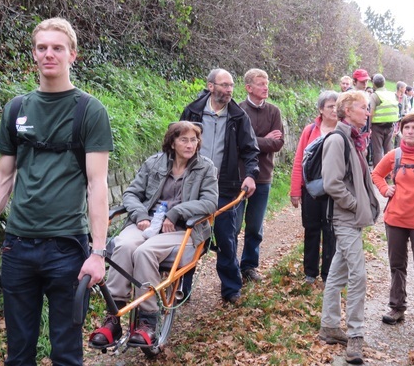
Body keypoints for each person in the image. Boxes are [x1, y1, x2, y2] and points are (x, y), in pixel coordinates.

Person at [0, 18, 114, 366]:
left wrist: (99, 251)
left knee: (65, 352)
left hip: (67, 248)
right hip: (18, 246)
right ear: (34, 54)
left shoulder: (89, 111)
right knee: (18, 354)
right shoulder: (17, 109)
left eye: (57, 48)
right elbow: (3, 178)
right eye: (42, 48)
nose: (49, 54)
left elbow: (97, 184)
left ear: (72, 55)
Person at [89, 121, 218, 347]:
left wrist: (177, 212)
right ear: (172, 142)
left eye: (194, 140)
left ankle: (148, 321)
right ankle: (113, 317)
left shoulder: (205, 167)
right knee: (123, 246)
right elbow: (130, 194)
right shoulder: (154, 163)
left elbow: (210, 202)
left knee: (144, 252)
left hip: (182, 230)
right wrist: (140, 215)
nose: (190, 145)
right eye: (184, 140)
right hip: (148, 224)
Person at [180, 68, 259, 304]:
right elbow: (176, 142)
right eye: (224, 85)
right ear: (210, 86)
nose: (228, 90)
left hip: (225, 185)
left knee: (226, 237)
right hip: (192, 183)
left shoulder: (238, 116)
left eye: (231, 86)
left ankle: (231, 289)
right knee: (189, 236)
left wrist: (251, 175)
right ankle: (183, 289)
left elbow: (250, 150)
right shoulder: (192, 111)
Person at [318, 91, 380, 365]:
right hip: (344, 218)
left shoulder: (353, 139)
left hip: (350, 217)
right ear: (346, 111)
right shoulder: (337, 139)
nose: (367, 113)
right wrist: (355, 205)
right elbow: (331, 183)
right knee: (358, 275)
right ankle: (355, 334)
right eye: (362, 108)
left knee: (338, 270)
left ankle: (329, 326)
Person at [371, 114, 414, 335]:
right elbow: (376, 174)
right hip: (396, 219)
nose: (410, 131)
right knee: (397, 266)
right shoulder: (394, 155)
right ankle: (397, 307)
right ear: (401, 131)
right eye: (406, 127)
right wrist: (385, 190)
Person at [236, 69, 284, 282]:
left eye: (267, 83)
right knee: (233, 226)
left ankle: (248, 266)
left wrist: (253, 141)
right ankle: (229, 268)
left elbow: (278, 143)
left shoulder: (274, 112)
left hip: (263, 176)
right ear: (248, 87)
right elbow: (235, 144)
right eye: (260, 83)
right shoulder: (237, 110)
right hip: (237, 176)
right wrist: (263, 140)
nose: (266, 87)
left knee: (255, 226)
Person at [290, 90, 339, 285]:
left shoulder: (343, 130)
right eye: (330, 106)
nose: (334, 110)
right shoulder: (310, 131)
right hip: (310, 190)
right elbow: (299, 160)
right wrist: (295, 190)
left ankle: (329, 274)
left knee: (331, 231)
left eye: (337, 106)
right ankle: (310, 273)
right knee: (311, 229)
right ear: (321, 109)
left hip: (334, 190)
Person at [369, 73, 398, 166]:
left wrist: (368, 126)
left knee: (377, 151)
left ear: (373, 84)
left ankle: (378, 172)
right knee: (389, 150)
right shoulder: (392, 94)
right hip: (390, 125)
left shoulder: (375, 95)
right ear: (384, 83)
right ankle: (389, 173)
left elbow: (371, 112)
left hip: (377, 126)